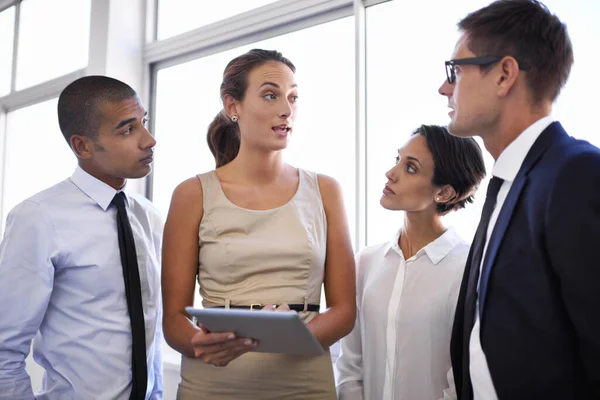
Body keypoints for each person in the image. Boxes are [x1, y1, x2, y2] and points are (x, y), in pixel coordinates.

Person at [161, 48, 356, 399]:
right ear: (232, 106)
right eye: (270, 95)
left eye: (293, 97)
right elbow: (173, 318)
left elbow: (344, 312)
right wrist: (202, 343)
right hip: (214, 382)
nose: (287, 109)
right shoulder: (192, 194)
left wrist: (281, 338)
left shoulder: (325, 190)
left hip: (303, 382)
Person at [438, 1, 600, 398]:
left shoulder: (576, 174)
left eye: (455, 71)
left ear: (504, 75)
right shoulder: (505, 185)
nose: (444, 87)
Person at [0, 76, 163, 400]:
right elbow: (4, 349)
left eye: (143, 122)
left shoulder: (149, 217)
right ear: (82, 146)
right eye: (128, 129)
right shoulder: (38, 218)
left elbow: (150, 329)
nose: (149, 140)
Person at [335, 125, 486, 400]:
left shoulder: (470, 270)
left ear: (445, 193)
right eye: (398, 160)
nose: (391, 174)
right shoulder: (366, 263)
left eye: (411, 168)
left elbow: (464, 375)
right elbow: (350, 366)